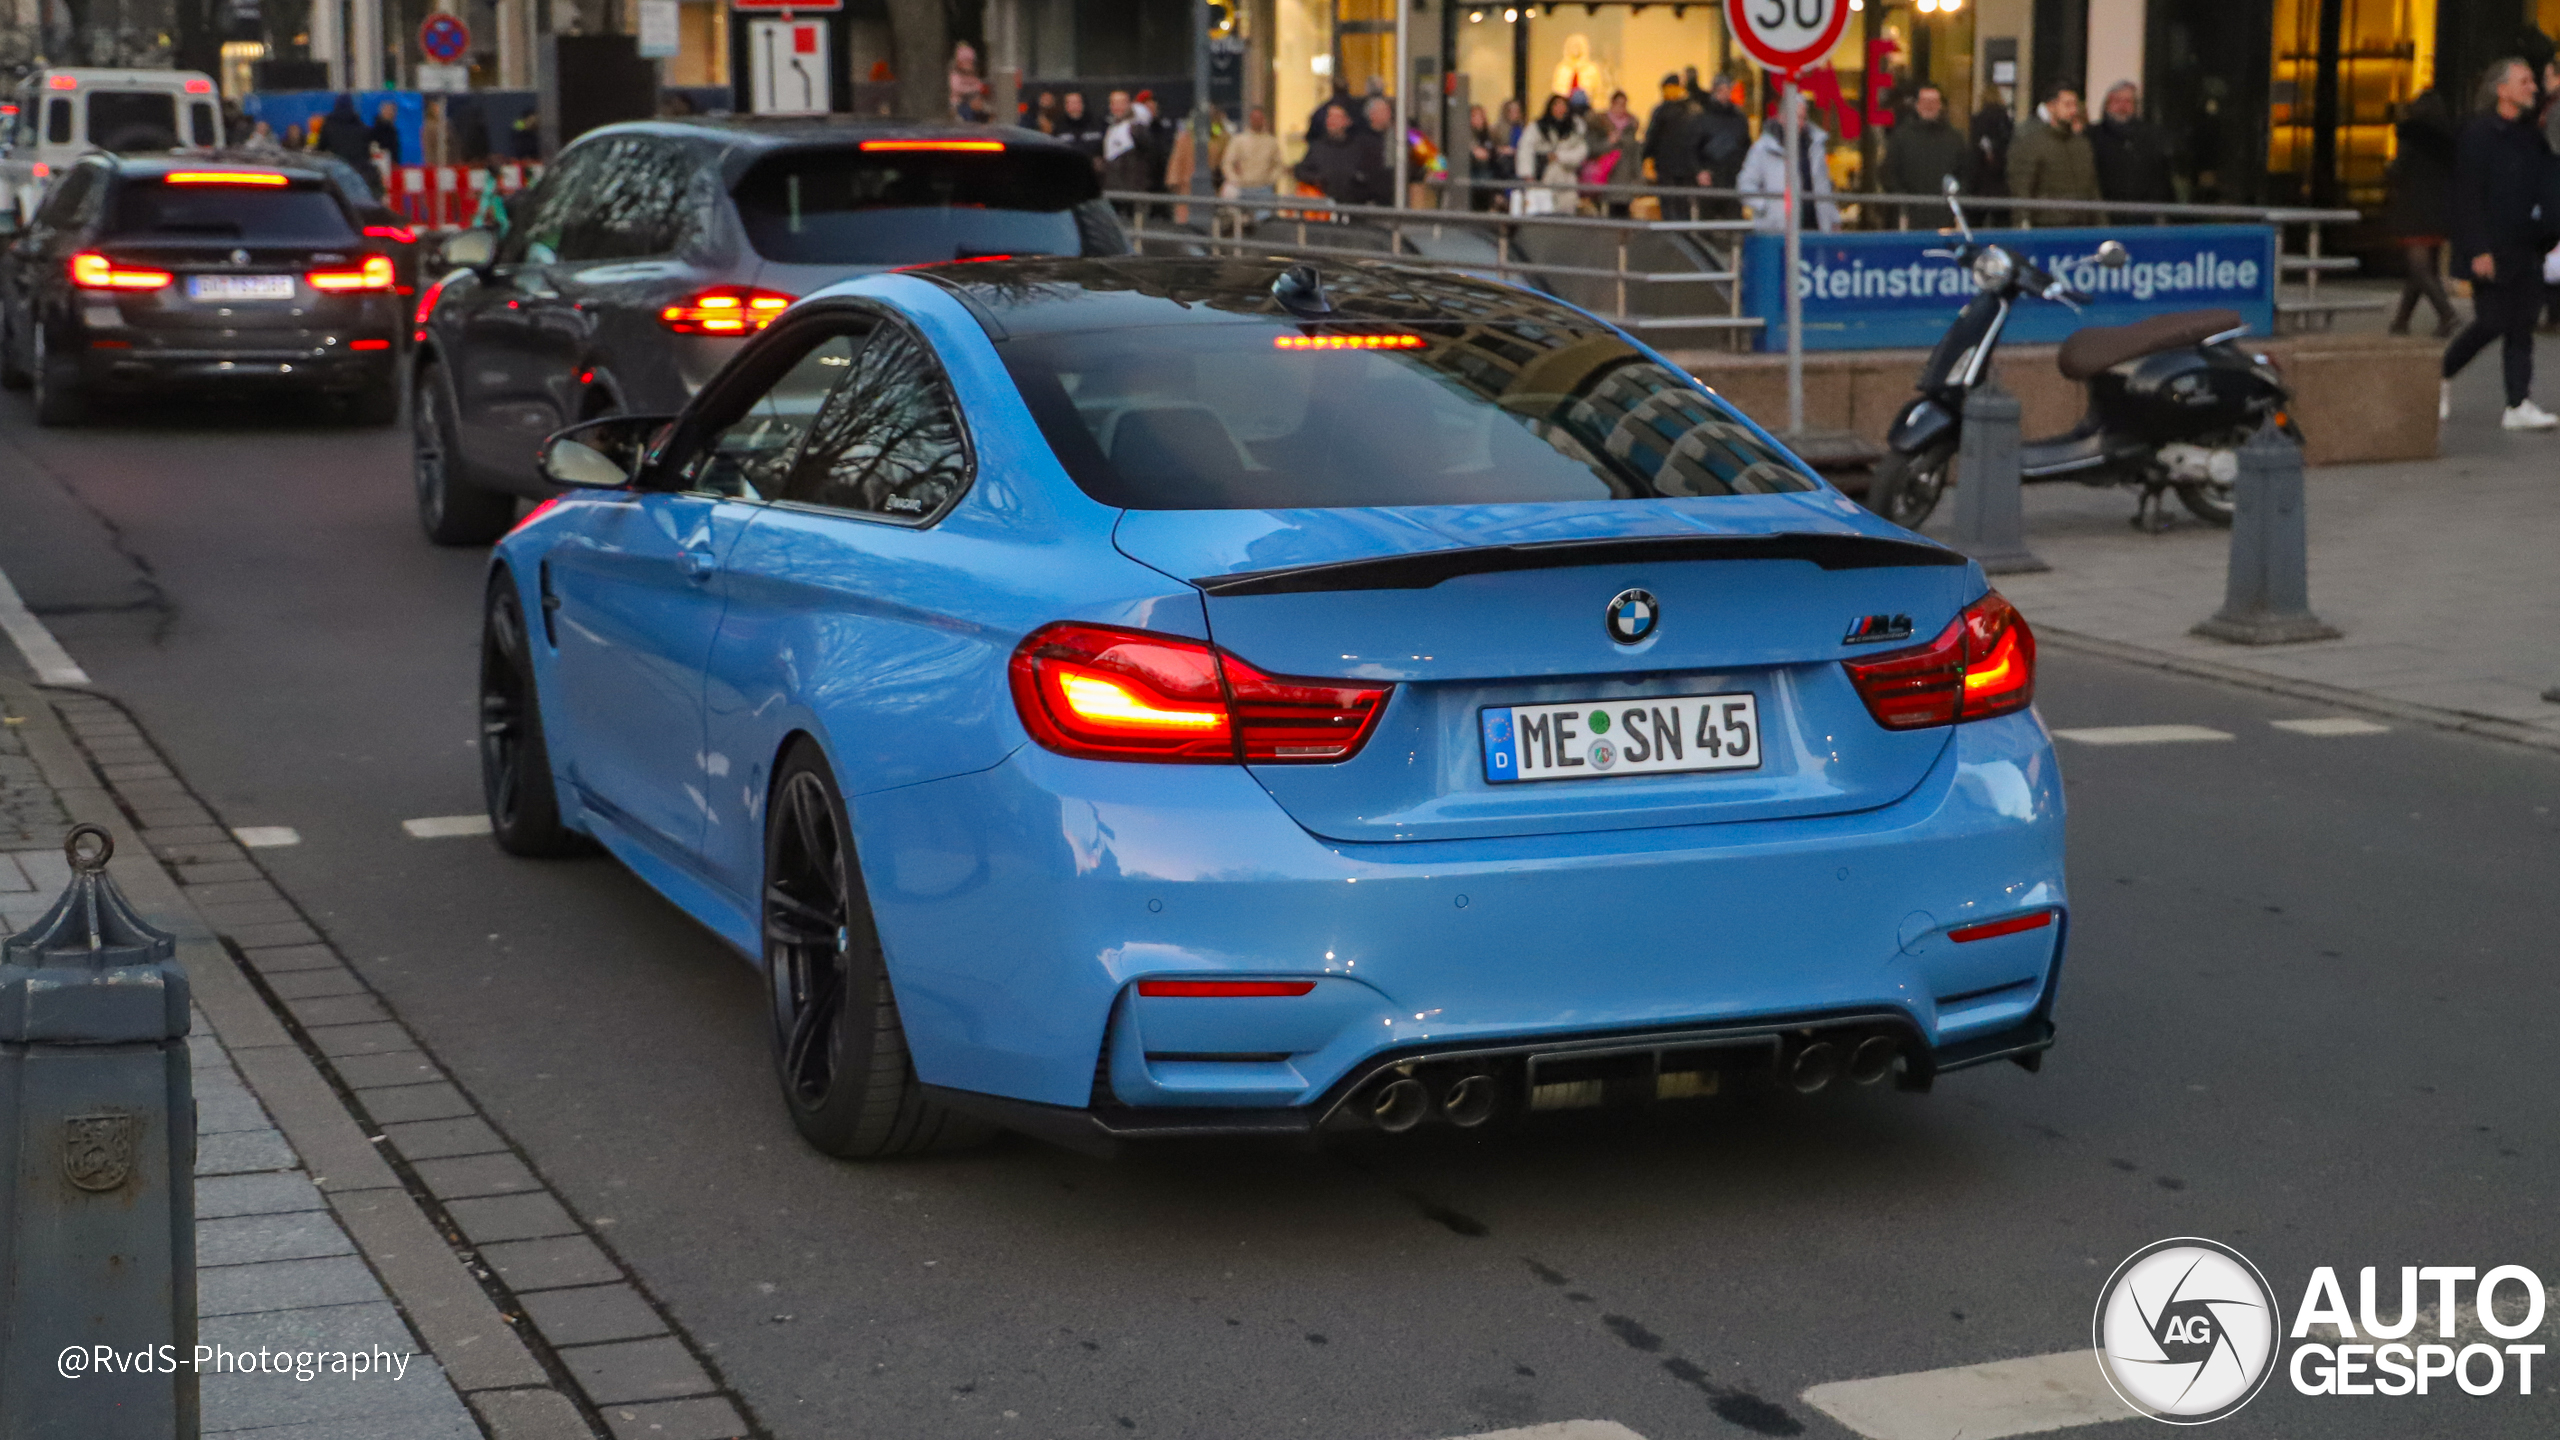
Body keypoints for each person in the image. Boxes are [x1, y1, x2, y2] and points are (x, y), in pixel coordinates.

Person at [2442, 58, 2559, 430]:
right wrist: (2477, 248)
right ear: (2501, 90)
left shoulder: (2530, 137)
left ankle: (2517, 402)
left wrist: (2549, 233)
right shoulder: (2479, 135)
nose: (2532, 88)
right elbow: (2468, 196)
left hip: (2526, 244)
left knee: (2522, 323)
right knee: (2492, 320)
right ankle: (2440, 372)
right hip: (2491, 247)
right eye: (2524, 82)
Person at [2388, 87, 2459, 338]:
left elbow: (2399, 169)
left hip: (2415, 208)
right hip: (2441, 209)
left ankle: (2447, 313)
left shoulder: (2413, 135)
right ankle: (2401, 321)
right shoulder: (2449, 139)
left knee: (2419, 268)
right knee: (2421, 270)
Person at [1876, 83, 1968, 228]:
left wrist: (1954, 199)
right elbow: (1888, 173)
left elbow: (1966, 173)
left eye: (1934, 102)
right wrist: (1904, 201)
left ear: (1940, 105)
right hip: (1909, 217)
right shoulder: (1901, 137)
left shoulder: (1955, 139)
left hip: (1944, 216)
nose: (1929, 106)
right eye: (1925, 101)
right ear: (1917, 105)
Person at [2006, 85, 2101, 226]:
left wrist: (2101, 225)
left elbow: (2092, 189)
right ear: (2051, 107)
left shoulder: (2082, 145)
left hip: (2081, 225)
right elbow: (2022, 188)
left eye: (2075, 104)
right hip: (2047, 225)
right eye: (2067, 105)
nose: (2073, 110)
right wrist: (2023, 224)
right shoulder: (2032, 143)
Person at [1736, 102, 1838, 232]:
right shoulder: (1763, 148)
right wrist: (1766, 207)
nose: (1799, 123)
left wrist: (1833, 218)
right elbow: (1745, 184)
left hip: (1815, 227)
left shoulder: (1814, 147)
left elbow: (1823, 185)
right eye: (1795, 117)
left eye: (1803, 118)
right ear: (1782, 117)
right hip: (1778, 229)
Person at [2089, 81, 2174, 212]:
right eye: (2117, 100)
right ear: (2107, 103)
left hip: (2143, 216)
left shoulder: (2150, 137)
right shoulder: (2091, 136)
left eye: (2128, 101)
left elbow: (2161, 178)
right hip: (2105, 214)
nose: (2122, 106)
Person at [1294, 101, 1390, 206]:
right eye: (1330, 117)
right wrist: (1319, 179)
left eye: (1337, 117)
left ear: (1347, 121)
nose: (1332, 121)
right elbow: (1301, 170)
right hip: (1325, 210)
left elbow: (1374, 177)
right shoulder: (1317, 147)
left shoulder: (1362, 147)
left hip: (1356, 208)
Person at [1689, 73, 1751, 219]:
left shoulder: (1739, 118)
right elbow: (1691, 148)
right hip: (1710, 178)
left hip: (1733, 178)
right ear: (1714, 91)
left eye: (1727, 90)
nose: (1725, 94)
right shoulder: (1702, 117)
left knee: (1733, 221)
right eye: (1721, 90)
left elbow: (1746, 146)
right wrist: (1699, 171)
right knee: (1707, 224)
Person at [1516, 95, 1588, 215]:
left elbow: (1581, 151)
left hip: (1567, 176)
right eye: (1556, 105)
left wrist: (1559, 156)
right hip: (1543, 176)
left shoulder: (1575, 128)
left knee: (1566, 209)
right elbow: (1525, 148)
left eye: (1563, 105)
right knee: (1543, 210)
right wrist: (1527, 174)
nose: (1560, 108)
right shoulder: (1538, 127)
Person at [1641, 73, 1700, 219]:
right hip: (1687, 166)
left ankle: (1671, 237)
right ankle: (1683, 236)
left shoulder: (1661, 111)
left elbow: (1651, 138)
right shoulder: (1693, 109)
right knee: (1683, 204)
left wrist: (1646, 157)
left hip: (1665, 165)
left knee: (1668, 203)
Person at [1221, 104, 1284, 215]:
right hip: (1242, 189)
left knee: (1263, 224)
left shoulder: (1271, 142)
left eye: (1260, 118)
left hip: (1264, 189)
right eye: (1254, 118)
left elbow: (1279, 164)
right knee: (1240, 223)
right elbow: (1227, 163)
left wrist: (1271, 179)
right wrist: (1234, 180)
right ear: (1250, 119)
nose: (1257, 121)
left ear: (1264, 120)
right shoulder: (1239, 140)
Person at [1588, 91, 1640, 215]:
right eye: (1618, 104)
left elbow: (1635, 154)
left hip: (1626, 177)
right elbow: (1592, 149)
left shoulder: (1631, 126)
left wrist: (1638, 178)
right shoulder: (1599, 124)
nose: (1621, 108)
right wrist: (1609, 142)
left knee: (1623, 212)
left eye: (1624, 104)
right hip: (1605, 175)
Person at [1099, 91, 1156, 199]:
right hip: (1113, 190)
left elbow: (1149, 155)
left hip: (1134, 191)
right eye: (1114, 103)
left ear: (1129, 104)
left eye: (1122, 103)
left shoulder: (1136, 128)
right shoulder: (1111, 129)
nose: (1118, 107)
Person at [1969, 88, 2015, 223]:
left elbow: (1974, 149)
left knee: (1976, 222)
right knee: (2001, 223)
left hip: (1980, 183)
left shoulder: (1978, 120)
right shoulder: (2006, 121)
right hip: (2001, 181)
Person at [318, 95, 373, 175]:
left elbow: (321, 148)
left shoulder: (329, 125)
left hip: (337, 170)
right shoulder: (360, 125)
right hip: (358, 170)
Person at [1306, 77, 1357, 143]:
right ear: (1348, 87)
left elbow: (1311, 137)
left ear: (1332, 89)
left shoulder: (1321, 111)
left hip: (1325, 149)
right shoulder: (1359, 109)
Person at [1057, 91, 1102, 164]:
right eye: (1070, 103)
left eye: (1076, 102)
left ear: (1083, 104)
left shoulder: (1096, 124)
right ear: (1065, 105)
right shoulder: (1059, 126)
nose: (1074, 105)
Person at [949, 41, 987, 123]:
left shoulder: (973, 76)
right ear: (959, 63)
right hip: (959, 103)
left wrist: (980, 88)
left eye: (970, 62)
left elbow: (978, 85)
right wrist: (972, 89)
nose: (968, 65)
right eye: (965, 62)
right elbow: (956, 88)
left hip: (972, 103)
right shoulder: (956, 75)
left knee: (981, 109)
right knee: (962, 110)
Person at [368, 100, 403, 178]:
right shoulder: (380, 129)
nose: (391, 113)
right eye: (388, 111)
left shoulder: (390, 128)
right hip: (384, 164)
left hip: (389, 163)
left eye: (392, 111)